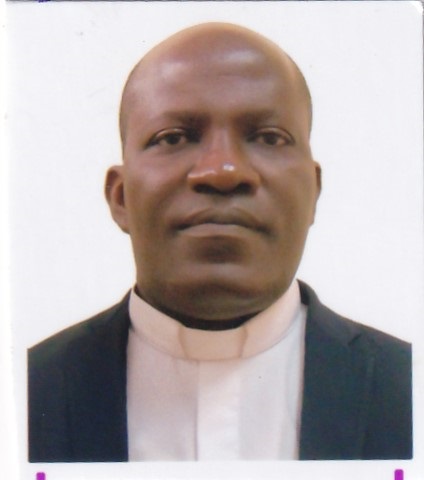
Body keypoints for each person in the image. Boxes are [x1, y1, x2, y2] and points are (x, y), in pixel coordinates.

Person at [28, 23, 412, 462]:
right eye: (173, 137)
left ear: (313, 192)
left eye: (269, 137)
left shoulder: (406, 389)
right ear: (120, 197)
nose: (223, 171)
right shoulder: (25, 393)